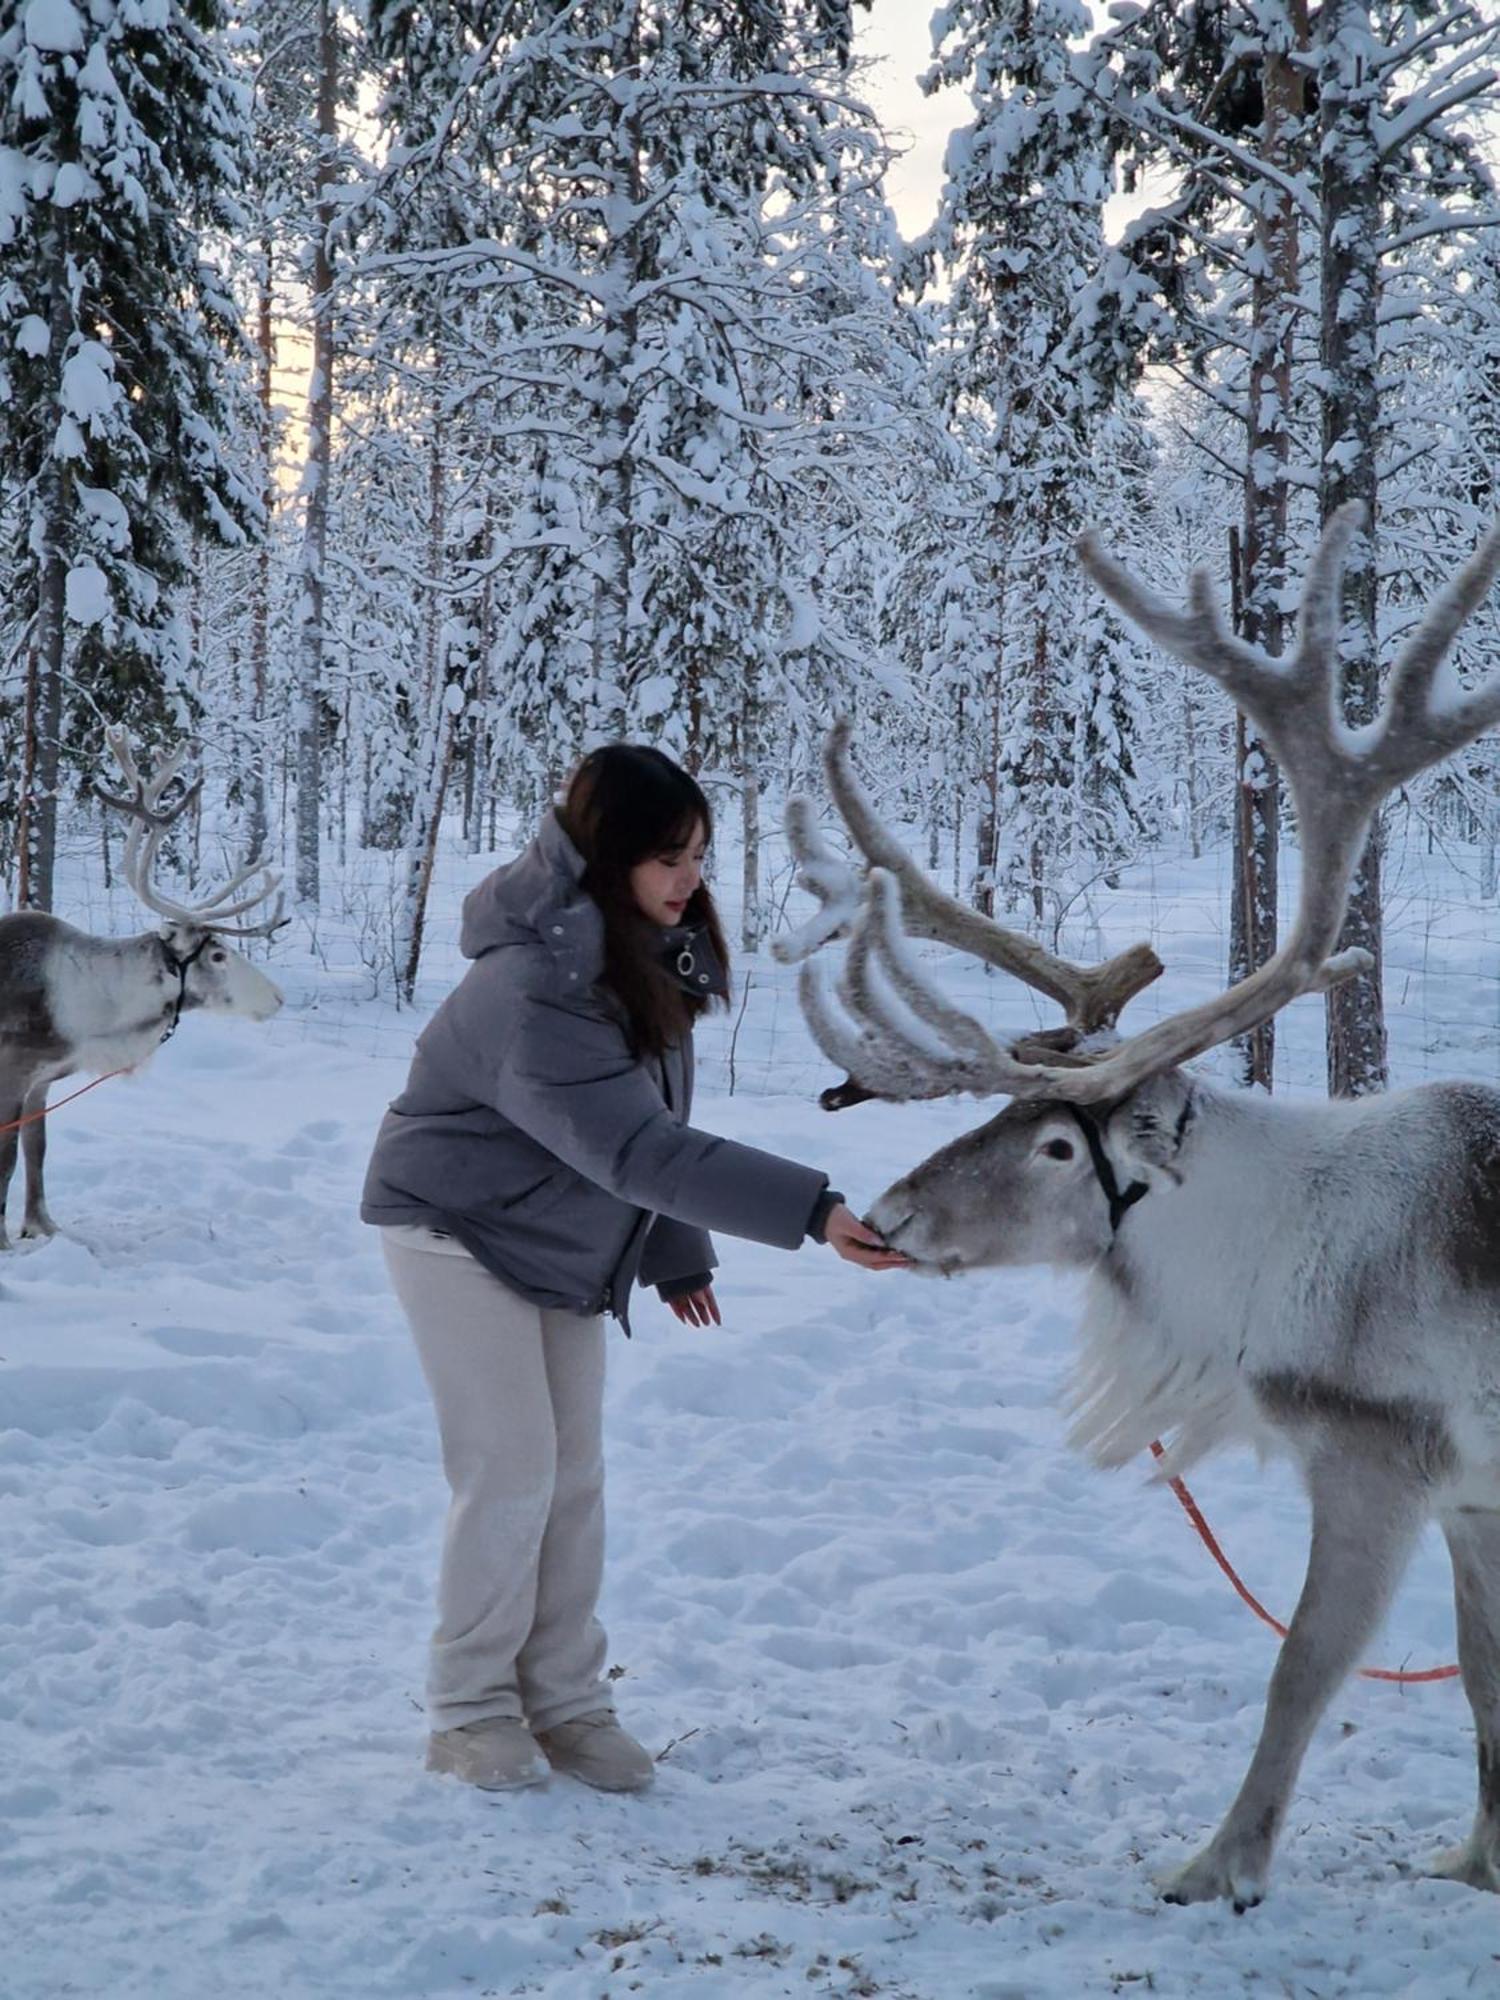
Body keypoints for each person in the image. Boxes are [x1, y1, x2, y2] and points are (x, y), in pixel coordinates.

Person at [361, 743, 907, 1795]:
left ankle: (565, 1700)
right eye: (667, 856)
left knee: (576, 1476)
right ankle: (470, 1709)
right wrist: (811, 1208)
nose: (689, 877)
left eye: (699, 852)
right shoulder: (536, 982)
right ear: (608, 856)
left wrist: (672, 1245)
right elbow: (634, 1149)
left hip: (562, 1232)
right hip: (455, 1227)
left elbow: (648, 1119)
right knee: (511, 1468)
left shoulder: (644, 948)